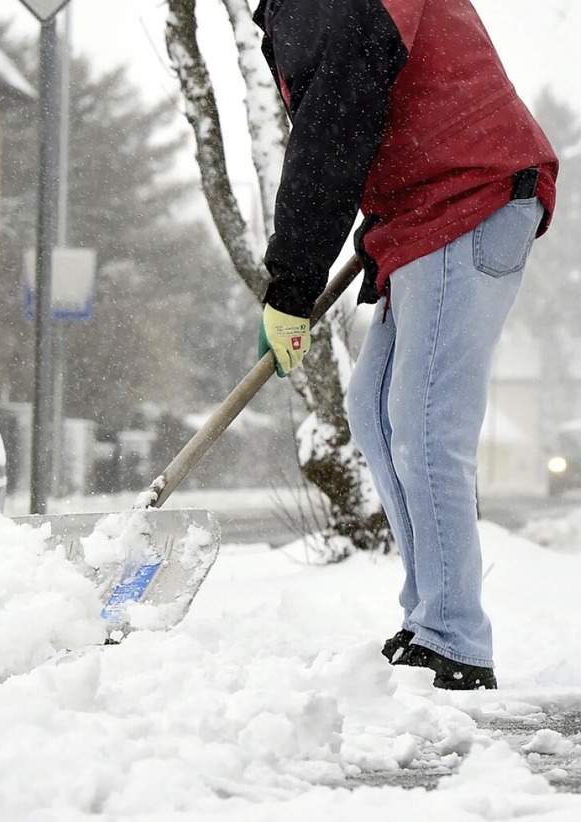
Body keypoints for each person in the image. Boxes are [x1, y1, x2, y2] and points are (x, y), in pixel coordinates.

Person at [254, 0, 558, 689]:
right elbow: (361, 119)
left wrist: (292, 285)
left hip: (469, 192)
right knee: (374, 409)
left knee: (425, 424)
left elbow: (333, 127)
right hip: (426, 207)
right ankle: (430, 617)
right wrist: (371, 225)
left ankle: (454, 638)